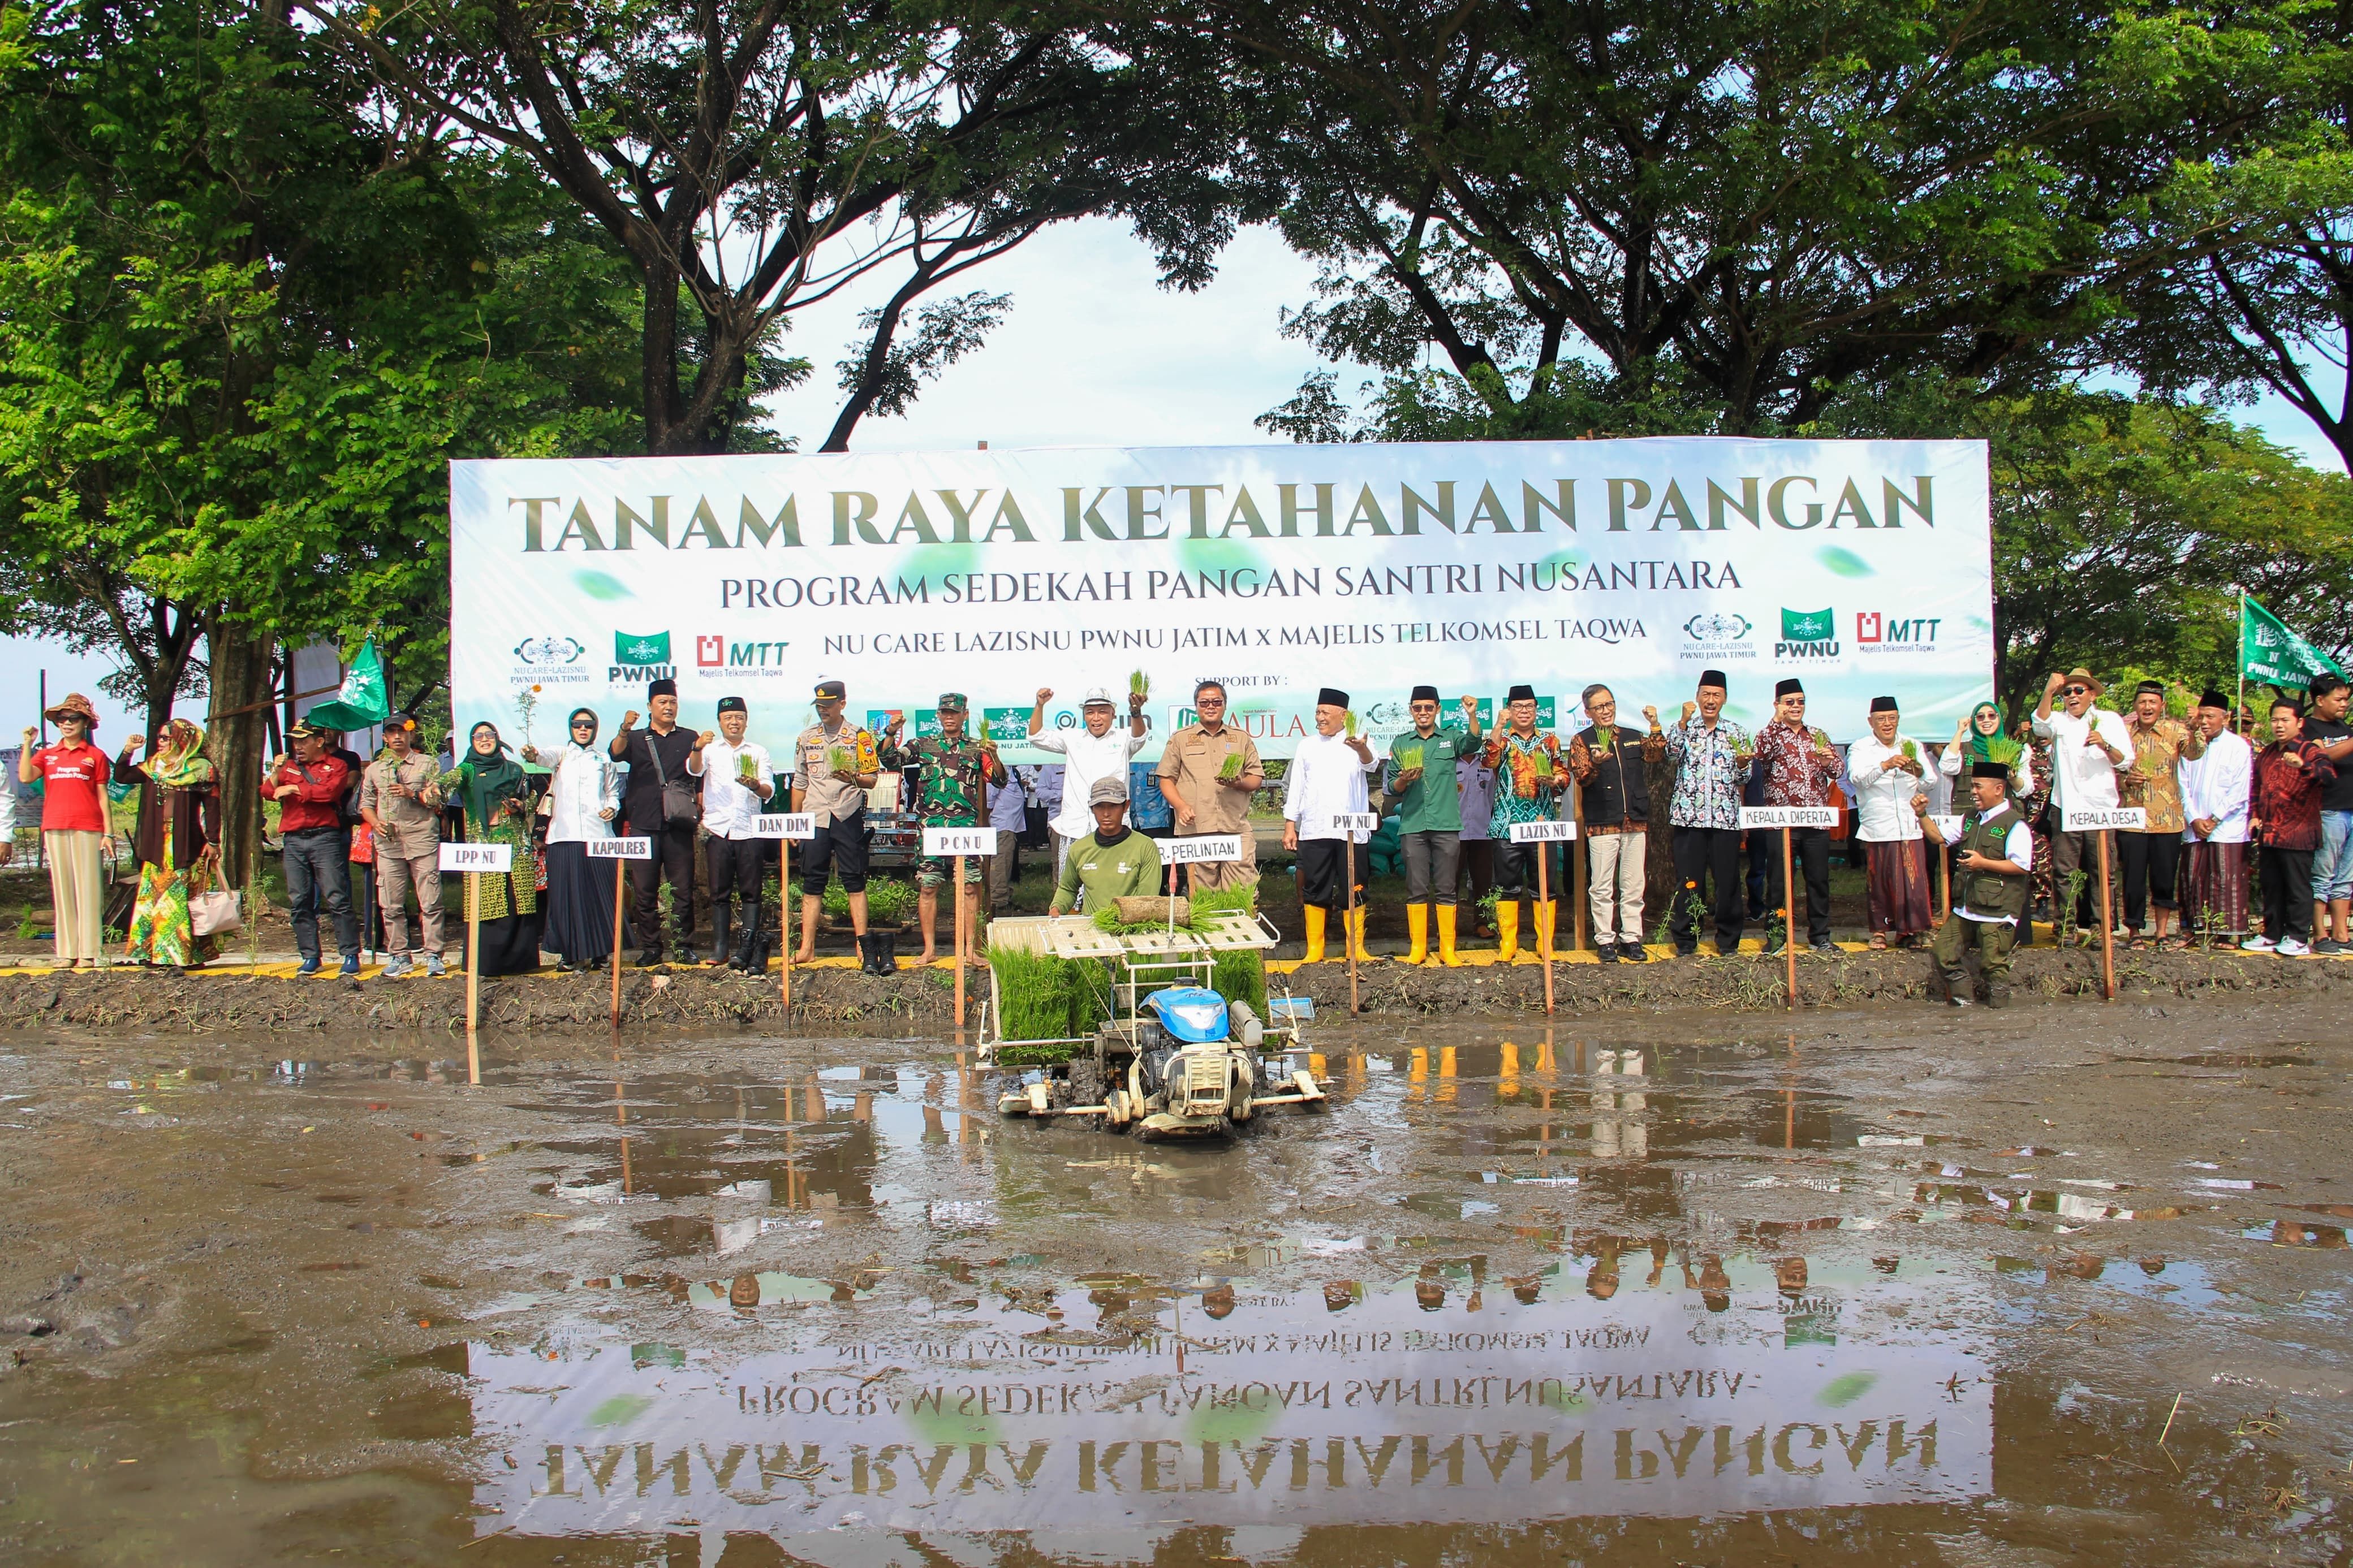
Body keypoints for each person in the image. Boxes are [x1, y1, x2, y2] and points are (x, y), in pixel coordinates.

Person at [880, 693, 1006, 967]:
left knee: (971, 887)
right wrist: (891, 733)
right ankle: (929, 950)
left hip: (966, 829)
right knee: (928, 887)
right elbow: (890, 761)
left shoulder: (976, 748)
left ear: (965, 715)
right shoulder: (923, 745)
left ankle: (971, 950)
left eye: (955, 712)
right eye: (944, 712)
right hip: (932, 829)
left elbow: (999, 780)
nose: (950, 716)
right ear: (938, 715)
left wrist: (994, 754)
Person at [2031, 668, 2132, 942]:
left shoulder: (2109, 721)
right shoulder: (2060, 721)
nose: (2072, 697)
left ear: (2092, 694)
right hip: (2067, 807)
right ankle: (2066, 927)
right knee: (2064, 871)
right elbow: (2039, 725)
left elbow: (2125, 761)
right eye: (2067, 692)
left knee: (2102, 870)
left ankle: (2102, 928)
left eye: (2078, 691)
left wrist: (2105, 745)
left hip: (2102, 809)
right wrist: (2048, 691)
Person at [1921, 760, 2033, 1007]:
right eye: (1972, 786)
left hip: (1998, 912)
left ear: (1998, 789)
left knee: (1993, 966)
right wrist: (1921, 814)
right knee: (1943, 953)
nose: (1973, 792)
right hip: (1967, 910)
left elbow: (2022, 866)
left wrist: (1983, 863)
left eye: (1978, 787)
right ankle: (1964, 1007)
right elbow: (1938, 837)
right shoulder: (1970, 818)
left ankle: (1999, 1014)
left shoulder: (2015, 824)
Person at [791, 680, 885, 970]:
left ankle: (862, 945)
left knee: (854, 880)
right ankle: (807, 947)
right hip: (815, 814)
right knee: (812, 881)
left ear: (842, 704)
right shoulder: (806, 738)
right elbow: (800, 782)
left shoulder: (860, 736)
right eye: (819, 706)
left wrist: (852, 779)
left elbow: (872, 780)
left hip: (846, 813)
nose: (823, 711)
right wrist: (796, 821)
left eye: (828, 706)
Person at [1567, 683, 1665, 964]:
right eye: (1599, 707)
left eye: (1609, 704)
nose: (1606, 711)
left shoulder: (1632, 736)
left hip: (1635, 818)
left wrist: (1655, 726)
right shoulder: (1582, 740)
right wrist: (1596, 764)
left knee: (1634, 883)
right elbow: (1582, 776)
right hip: (1602, 822)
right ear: (1588, 712)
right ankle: (1605, 939)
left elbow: (1655, 755)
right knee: (1601, 885)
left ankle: (1632, 937)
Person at [1386, 685, 1482, 965]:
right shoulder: (1402, 743)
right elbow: (1393, 786)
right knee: (1416, 887)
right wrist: (1405, 779)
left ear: (1438, 709)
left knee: (1447, 887)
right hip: (1414, 824)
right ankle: (1418, 947)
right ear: (1411, 710)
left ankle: (1447, 949)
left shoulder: (1450, 737)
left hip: (1446, 823)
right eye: (1418, 708)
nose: (1423, 713)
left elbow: (1473, 744)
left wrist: (1472, 716)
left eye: (1429, 707)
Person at [115, 718, 221, 971]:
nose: (160, 742)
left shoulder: (200, 770)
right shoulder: (154, 766)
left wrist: (213, 840)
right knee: (155, 900)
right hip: (156, 845)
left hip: (185, 844)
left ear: (182, 741)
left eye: (166, 738)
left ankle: (187, 956)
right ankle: (155, 954)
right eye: (160, 738)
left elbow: (213, 807)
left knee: (179, 901)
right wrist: (128, 750)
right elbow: (122, 776)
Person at [610, 679, 703, 965]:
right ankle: (651, 948)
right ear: (650, 706)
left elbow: (698, 774)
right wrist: (624, 728)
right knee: (645, 891)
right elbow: (615, 753)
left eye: (673, 702)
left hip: (678, 825)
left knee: (682, 890)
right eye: (662, 702)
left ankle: (682, 945)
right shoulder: (637, 738)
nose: (668, 707)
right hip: (643, 823)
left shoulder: (689, 737)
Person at [1283, 688, 1380, 962]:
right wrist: (1291, 824)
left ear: (1343, 715)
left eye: (1325, 713)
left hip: (1352, 831)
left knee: (1356, 886)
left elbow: (1372, 765)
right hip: (1316, 829)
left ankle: (1357, 949)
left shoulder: (1359, 740)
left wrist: (1361, 748)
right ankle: (1315, 950)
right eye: (1317, 712)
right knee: (1315, 887)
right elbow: (1297, 789)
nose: (1320, 718)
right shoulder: (1307, 746)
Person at [18, 694, 113, 969]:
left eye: (74, 718)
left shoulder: (95, 756)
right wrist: (28, 744)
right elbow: (25, 777)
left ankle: (89, 952)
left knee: (88, 890)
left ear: (85, 722)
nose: (67, 723)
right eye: (62, 719)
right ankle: (67, 951)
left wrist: (108, 833)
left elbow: (103, 796)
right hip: (55, 825)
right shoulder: (47, 755)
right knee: (63, 890)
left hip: (88, 827)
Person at [1662, 670, 1752, 958]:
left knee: (1727, 882)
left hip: (1725, 820)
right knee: (1689, 881)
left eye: (1716, 696)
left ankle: (1728, 941)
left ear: (1724, 699)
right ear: (1697, 697)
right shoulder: (1686, 728)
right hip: (1689, 819)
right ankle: (1687, 940)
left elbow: (1744, 777)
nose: (1710, 701)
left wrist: (1741, 764)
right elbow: (1671, 753)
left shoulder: (1737, 732)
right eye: (1706, 695)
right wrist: (1683, 721)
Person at [1480, 684, 1569, 962]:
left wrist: (1555, 781)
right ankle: (1509, 943)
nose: (1524, 712)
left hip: (1541, 825)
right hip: (1507, 824)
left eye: (1529, 707)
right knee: (1507, 886)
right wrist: (1498, 725)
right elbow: (1488, 760)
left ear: (1537, 710)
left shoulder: (1550, 741)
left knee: (1544, 886)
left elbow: (1562, 774)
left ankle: (1545, 944)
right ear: (1509, 709)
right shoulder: (1503, 739)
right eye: (1518, 707)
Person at [527, 707, 619, 973]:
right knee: (565, 898)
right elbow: (541, 758)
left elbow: (613, 793)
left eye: (588, 726)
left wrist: (612, 808)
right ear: (570, 728)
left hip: (598, 836)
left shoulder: (603, 759)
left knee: (600, 896)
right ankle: (569, 953)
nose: (583, 729)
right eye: (578, 725)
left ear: (595, 729)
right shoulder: (562, 755)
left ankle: (601, 953)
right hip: (564, 837)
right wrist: (532, 754)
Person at [264, 722, 360, 977]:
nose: (298, 747)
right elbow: (267, 792)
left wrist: (295, 787)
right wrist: (276, 771)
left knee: (337, 896)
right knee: (300, 900)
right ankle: (309, 955)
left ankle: (350, 953)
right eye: (295, 741)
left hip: (325, 838)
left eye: (303, 741)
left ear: (319, 741)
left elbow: (329, 793)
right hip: (294, 840)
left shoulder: (336, 765)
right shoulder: (290, 766)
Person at [1753, 679, 1842, 953]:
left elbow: (1838, 769)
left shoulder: (1816, 734)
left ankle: (1820, 936)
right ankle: (1778, 937)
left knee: (1818, 880)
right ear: (1778, 704)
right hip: (1782, 822)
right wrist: (1775, 721)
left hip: (1815, 820)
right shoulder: (1771, 734)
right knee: (1779, 882)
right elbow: (1760, 755)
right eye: (1789, 702)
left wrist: (1828, 762)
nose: (1796, 707)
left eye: (1800, 702)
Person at [449, 720, 543, 974]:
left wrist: (521, 806)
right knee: (488, 901)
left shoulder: (514, 769)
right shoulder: (467, 770)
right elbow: (448, 782)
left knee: (517, 901)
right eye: (478, 736)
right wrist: (434, 788)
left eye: (489, 735)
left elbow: (532, 797)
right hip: (484, 847)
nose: (484, 739)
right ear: (471, 742)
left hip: (515, 845)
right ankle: (486, 964)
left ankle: (520, 963)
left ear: (498, 739)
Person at [2115, 680, 2204, 948]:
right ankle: (2135, 933)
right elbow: (2113, 770)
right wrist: (2127, 781)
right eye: (2142, 702)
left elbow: (2195, 754)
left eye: (2153, 702)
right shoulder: (2124, 733)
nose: (2147, 707)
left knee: (2164, 878)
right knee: (2133, 879)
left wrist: (2196, 728)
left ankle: (2163, 932)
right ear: (2135, 705)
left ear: (2162, 706)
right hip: (2132, 818)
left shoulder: (2176, 731)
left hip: (2168, 819)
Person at [358, 715, 448, 978]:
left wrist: (413, 794)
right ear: (385, 737)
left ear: (411, 735)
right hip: (389, 843)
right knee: (391, 903)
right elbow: (365, 803)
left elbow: (439, 803)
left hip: (421, 838)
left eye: (402, 731)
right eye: (392, 732)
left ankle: (433, 954)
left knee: (430, 900)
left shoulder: (428, 764)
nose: (397, 736)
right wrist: (375, 823)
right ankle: (399, 954)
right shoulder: (376, 768)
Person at [1156, 680, 1266, 895]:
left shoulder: (1241, 738)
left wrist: (1238, 783)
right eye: (1204, 702)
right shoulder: (1181, 739)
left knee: (1243, 891)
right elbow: (1166, 779)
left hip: (1236, 828)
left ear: (1225, 705)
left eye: (1217, 702)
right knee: (1204, 894)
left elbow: (1256, 778)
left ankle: (1242, 928)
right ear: (1196, 706)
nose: (1211, 707)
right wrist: (1180, 806)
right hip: (1197, 828)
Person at [691, 696, 775, 970]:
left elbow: (768, 791)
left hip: (749, 829)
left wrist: (754, 786)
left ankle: (748, 946)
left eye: (739, 717)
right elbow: (694, 770)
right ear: (720, 722)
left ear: (746, 721)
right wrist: (696, 748)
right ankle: (720, 947)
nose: (734, 722)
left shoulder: (758, 751)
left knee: (752, 891)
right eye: (728, 718)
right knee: (719, 892)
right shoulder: (710, 750)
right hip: (719, 829)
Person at [1028, 684, 1149, 874]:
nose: (1096, 718)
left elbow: (1139, 737)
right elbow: (1036, 736)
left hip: (1113, 827)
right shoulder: (1072, 737)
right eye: (1090, 712)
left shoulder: (1123, 738)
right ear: (1084, 715)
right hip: (1075, 826)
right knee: (1071, 885)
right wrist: (1039, 705)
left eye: (1103, 712)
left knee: (1112, 883)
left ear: (1113, 714)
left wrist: (1136, 713)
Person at [1845, 696, 1933, 949]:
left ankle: (1911, 933)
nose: (1887, 724)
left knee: (1913, 881)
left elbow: (1931, 781)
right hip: (1878, 824)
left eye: (1892, 718)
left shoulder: (1911, 745)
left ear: (1898, 719)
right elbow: (1857, 779)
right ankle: (1880, 931)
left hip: (1909, 822)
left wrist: (1916, 770)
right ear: (1871, 721)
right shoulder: (1861, 748)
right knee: (1880, 880)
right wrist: (1885, 765)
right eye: (1881, 719)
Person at [2178, 691, 2252, 949]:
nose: (2205, 722)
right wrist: (2194, 818)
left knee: (2226, 879)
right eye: (2201, 717)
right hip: (2195, 825)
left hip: (2227, 825)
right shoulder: (2190, 747)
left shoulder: (2238, 747)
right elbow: (2182, 785)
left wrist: (2215, 818)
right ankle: (2192, 931)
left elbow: (2239, 791)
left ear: (2226, 717)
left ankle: (2225, 936)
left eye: (2210, 717)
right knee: (2193, 877)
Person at [2248, 696, 2321, 956]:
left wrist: (2304, 766)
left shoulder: (2310, 750)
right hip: (2269, 832)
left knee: (2297, 887)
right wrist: (2255, 815)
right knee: (2272, 885)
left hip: (2298, 832)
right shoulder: (2267, 752)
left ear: (2299, 722)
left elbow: (2328, 775)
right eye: (2274, 720)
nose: (2278, 725)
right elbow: (2256, 787)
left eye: (2285, 720)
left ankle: (2298, 938)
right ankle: (2271, 934)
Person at [1049, 776, 1165, 913]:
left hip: (1131, 928)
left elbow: (1146, 899)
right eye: (1099, 806)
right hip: (1090, 929)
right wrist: (1056, 909)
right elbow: (1068, 889)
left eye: (1113, 806)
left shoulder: (1145, 847)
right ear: (1091, 808)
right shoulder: (1079, 849)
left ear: (1126, 806)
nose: (1106, 814)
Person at [2303, 673, 2353, 954]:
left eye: (2346, 699)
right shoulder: (2309, 728)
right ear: (2319, 700)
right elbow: (2323, 756)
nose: (2344, 704)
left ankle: (2342, 933)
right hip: (2329, 809)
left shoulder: (2344, 726)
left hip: (2351, 808)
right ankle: (2320, 934)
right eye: (2339, 699)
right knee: (2324, 873)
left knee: (2346, 876)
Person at [1456, 736, 1498, 935]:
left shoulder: (1487, 764)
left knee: (1483, 880)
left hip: (1482, 830)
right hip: (1456, 830)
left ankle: (1482, 923)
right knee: (1450, 881)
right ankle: (1449, 925)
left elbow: (1491, 795)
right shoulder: (1450, 763)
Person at [984, 761, 1027, 914]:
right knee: (1000, 863)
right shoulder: (997, 770)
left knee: (1006, 862)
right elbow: (989, 799)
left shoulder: (1012, 770)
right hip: (1001, 824)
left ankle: (1003, 896)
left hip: (1011, 826)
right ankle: (998, 901)